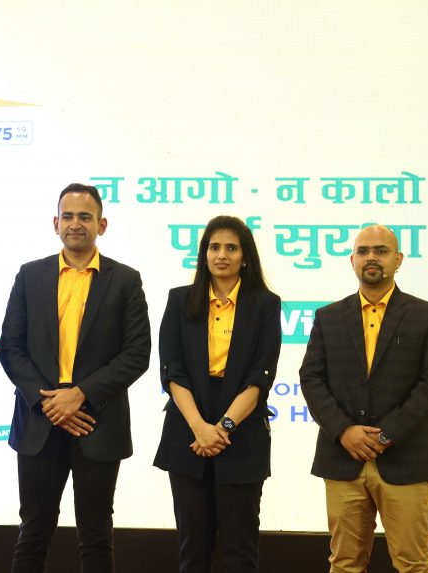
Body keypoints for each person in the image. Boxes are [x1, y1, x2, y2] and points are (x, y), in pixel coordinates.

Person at [0, 183, 151, 572]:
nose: (75, 224)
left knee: (96, 534)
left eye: (85, 217)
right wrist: (49, 402)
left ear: (102, 224)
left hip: (97, 422)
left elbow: (137, 354)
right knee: (33, 531)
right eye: (67, 216)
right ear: (56, 224)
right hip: (39, 421)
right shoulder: (30, 276)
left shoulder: (125, 280)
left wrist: (80, 394)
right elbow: (11, 348)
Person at [299, 224, 428, 573]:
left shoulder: (427, 316)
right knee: (345, 564)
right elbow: (311, 378)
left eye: (381, 251)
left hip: (406, 458)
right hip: (343, 459)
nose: (372, 257)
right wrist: (344, 431)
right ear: (352, 259)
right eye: (364, 251)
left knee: (414, 564)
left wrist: (386, 436)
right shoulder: (328, 317)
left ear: (398, 259)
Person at [154, 215, 281, 572]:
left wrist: (222, 429)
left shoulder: (265, 304)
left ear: (245, 256)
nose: (221, 255)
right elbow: (173, 372)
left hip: (242, 433)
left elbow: (260, 377)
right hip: (187, 432)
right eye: (214, 247)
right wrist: (200, 428)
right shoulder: (180, 300)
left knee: (239, 551)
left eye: (231, 248)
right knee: (192, 550)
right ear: (204, 254)